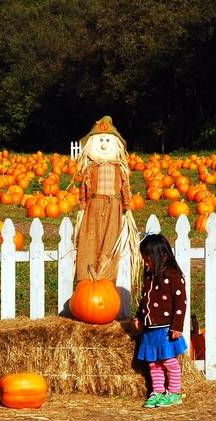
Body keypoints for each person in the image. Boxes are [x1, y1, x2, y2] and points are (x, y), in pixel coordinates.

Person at [73, 116, 140, 297]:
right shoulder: (90, 168)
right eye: (100, 140)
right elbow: (84, 188)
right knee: (89, 240)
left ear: (116, 143)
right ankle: (86, 282)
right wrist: (82, 206)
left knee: (110, 243)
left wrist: (128, 206)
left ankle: (106, 281)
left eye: (107, 140)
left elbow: (125, 187)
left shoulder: (120, 168)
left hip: (114, 207)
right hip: (93, 206)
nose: (103, 145)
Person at [133, 234, 188, 408]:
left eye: (148, 259)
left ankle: (174, 393)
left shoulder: (173, 276)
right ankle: (157, 392)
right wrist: (140, 317)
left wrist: (177, 326)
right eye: (145, 260)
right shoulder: (149, 276)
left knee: (168, 361)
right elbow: (145, 300)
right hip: (150, 328)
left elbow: (181, 303)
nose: (146, 263)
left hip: (165, 328)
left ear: (162, 256)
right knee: (153, 363)